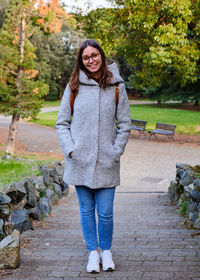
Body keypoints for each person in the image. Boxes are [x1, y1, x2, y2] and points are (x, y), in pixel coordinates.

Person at [56, 39, 131, 273]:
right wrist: (70, 149)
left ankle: (106, 252)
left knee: (106, 212)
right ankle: (92, 253)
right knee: (86, 211)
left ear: (102, 55)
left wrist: (116, 150)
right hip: (79, 161)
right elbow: (62, 123)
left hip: (107, 161)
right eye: (86, 57)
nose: (91, 60)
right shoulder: (74, 85)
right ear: (81, 61)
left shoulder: (117, 86)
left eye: (94, 55)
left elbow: (125, 124)